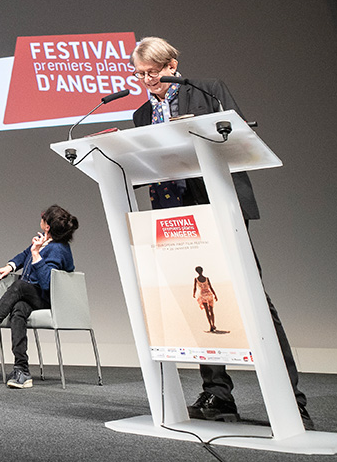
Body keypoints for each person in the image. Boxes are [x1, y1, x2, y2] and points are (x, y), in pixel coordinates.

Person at [129, 36, 311, 428]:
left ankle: (291, 400)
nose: (147, 81)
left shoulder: (206, 90)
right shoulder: (142, 115)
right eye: (141, 75)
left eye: (154, 73)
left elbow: (237, 135)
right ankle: (218, 395)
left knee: (252, 299)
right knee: (196, 307)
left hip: (217, 205)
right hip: (172, 216)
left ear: (172, 64)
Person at [0, 205, 79, 389]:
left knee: (19, 287)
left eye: (43, 218)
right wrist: (11, 266)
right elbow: (24, 255)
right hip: (35, 296)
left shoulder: (58, 249)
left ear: (47, 225)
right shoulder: (47, 241)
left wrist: (36, 255)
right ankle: (21, 370)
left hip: (49, 298)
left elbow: (48, 283)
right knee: (18, 311)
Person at [194, 266, 218, 333]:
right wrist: (215, 295)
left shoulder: (196, 279)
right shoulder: (206, 278)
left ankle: (210, 325)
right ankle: (213, 324)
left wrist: (193, 294)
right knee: (211, 311)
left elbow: (195, 288)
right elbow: (211, 287)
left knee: (207, 312)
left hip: (202, 295)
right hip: (209, 294)